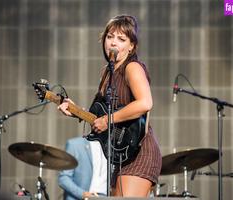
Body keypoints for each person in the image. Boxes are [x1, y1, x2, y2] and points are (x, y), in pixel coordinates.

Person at [58, 14, 162, 197]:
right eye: (109, 36)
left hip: (139, 151)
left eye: (121, 39)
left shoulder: (133, 67)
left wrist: (108, 120)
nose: (113, 43)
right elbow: (99, 115)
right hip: (120, 154)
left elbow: (145, 103)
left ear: (131, 46)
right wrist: (75, 111)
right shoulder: (108, 73)